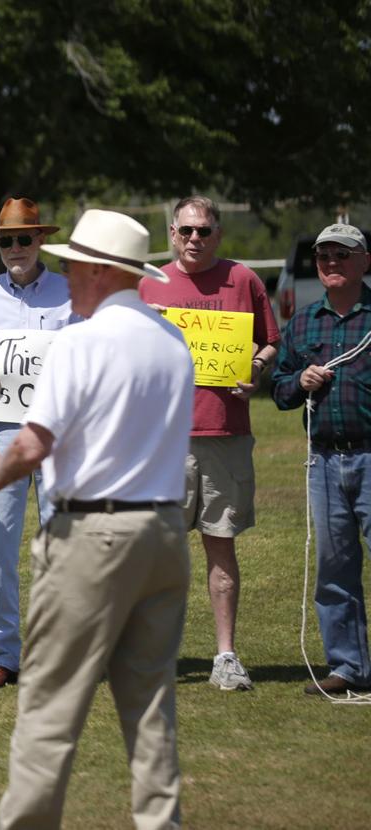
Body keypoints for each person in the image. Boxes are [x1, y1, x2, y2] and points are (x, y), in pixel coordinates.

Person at [0, 209, 194, 828]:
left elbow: (35, 442)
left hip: (94, 533)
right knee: (150, 709)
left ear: (95, 270)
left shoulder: (80, 341)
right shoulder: (172, 340)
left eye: (71, 263)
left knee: (49, 707)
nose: (65, 272)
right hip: (166, 534)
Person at [139, 195, 280, 691]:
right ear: (172, 233)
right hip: (164, 441)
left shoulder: (244, 279)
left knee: (221, 549)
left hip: (225, 434)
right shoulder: (149, 284)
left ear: (218, 234)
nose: (194, 239)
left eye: (204, 231)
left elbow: (269, 341)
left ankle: (225, 656)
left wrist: (257, 368)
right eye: (186, 231)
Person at [0, 197, 76, 689]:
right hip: (1, 433)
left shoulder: (72, 293)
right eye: (6, 240)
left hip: (61, 435)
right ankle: (2, 655)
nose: (15, 248)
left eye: (23, 238)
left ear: (41, 240)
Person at [271, 223, 371, 696]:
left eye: (342, 254)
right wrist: (299, 383)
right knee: (334, 569)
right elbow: (280, 390)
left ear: (364, 262)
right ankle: (348, 668)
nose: (331, 262)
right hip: (325, 461)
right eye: (324, 255)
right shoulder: (303, 322)